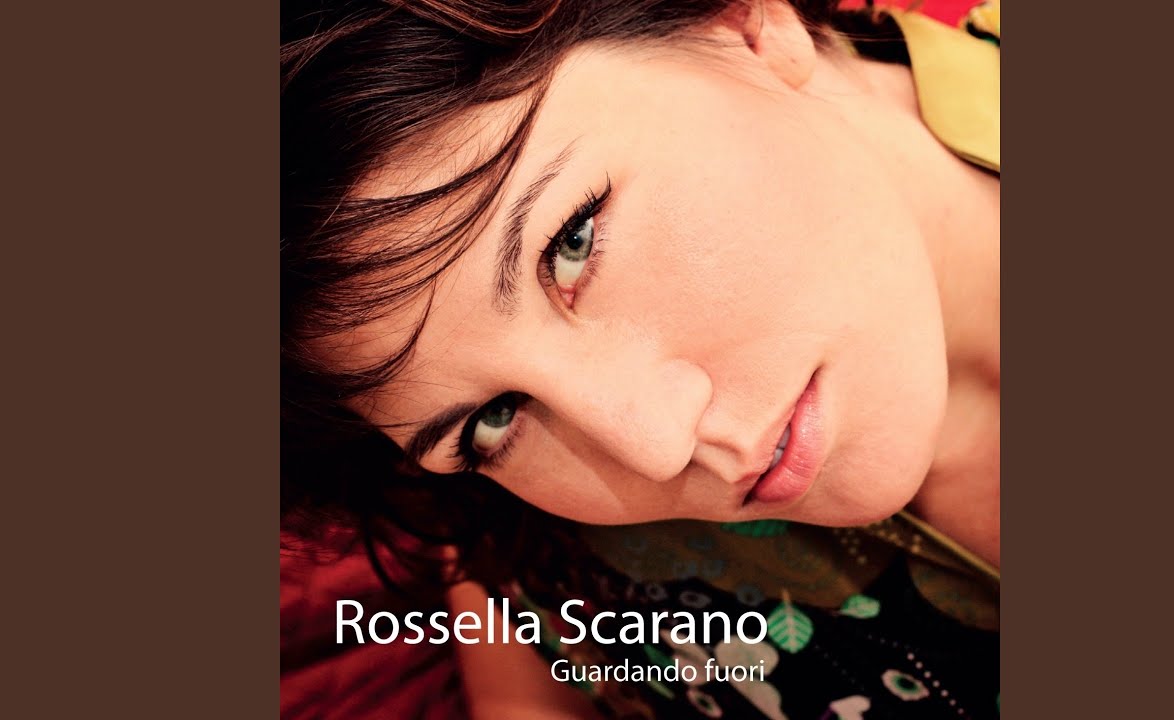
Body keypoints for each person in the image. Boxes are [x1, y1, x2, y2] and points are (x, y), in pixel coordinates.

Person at [282, 0, 1000, 717]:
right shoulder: (535, 557)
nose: (655, 446)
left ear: (744, 24)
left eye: (574, 243)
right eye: (492, 420)